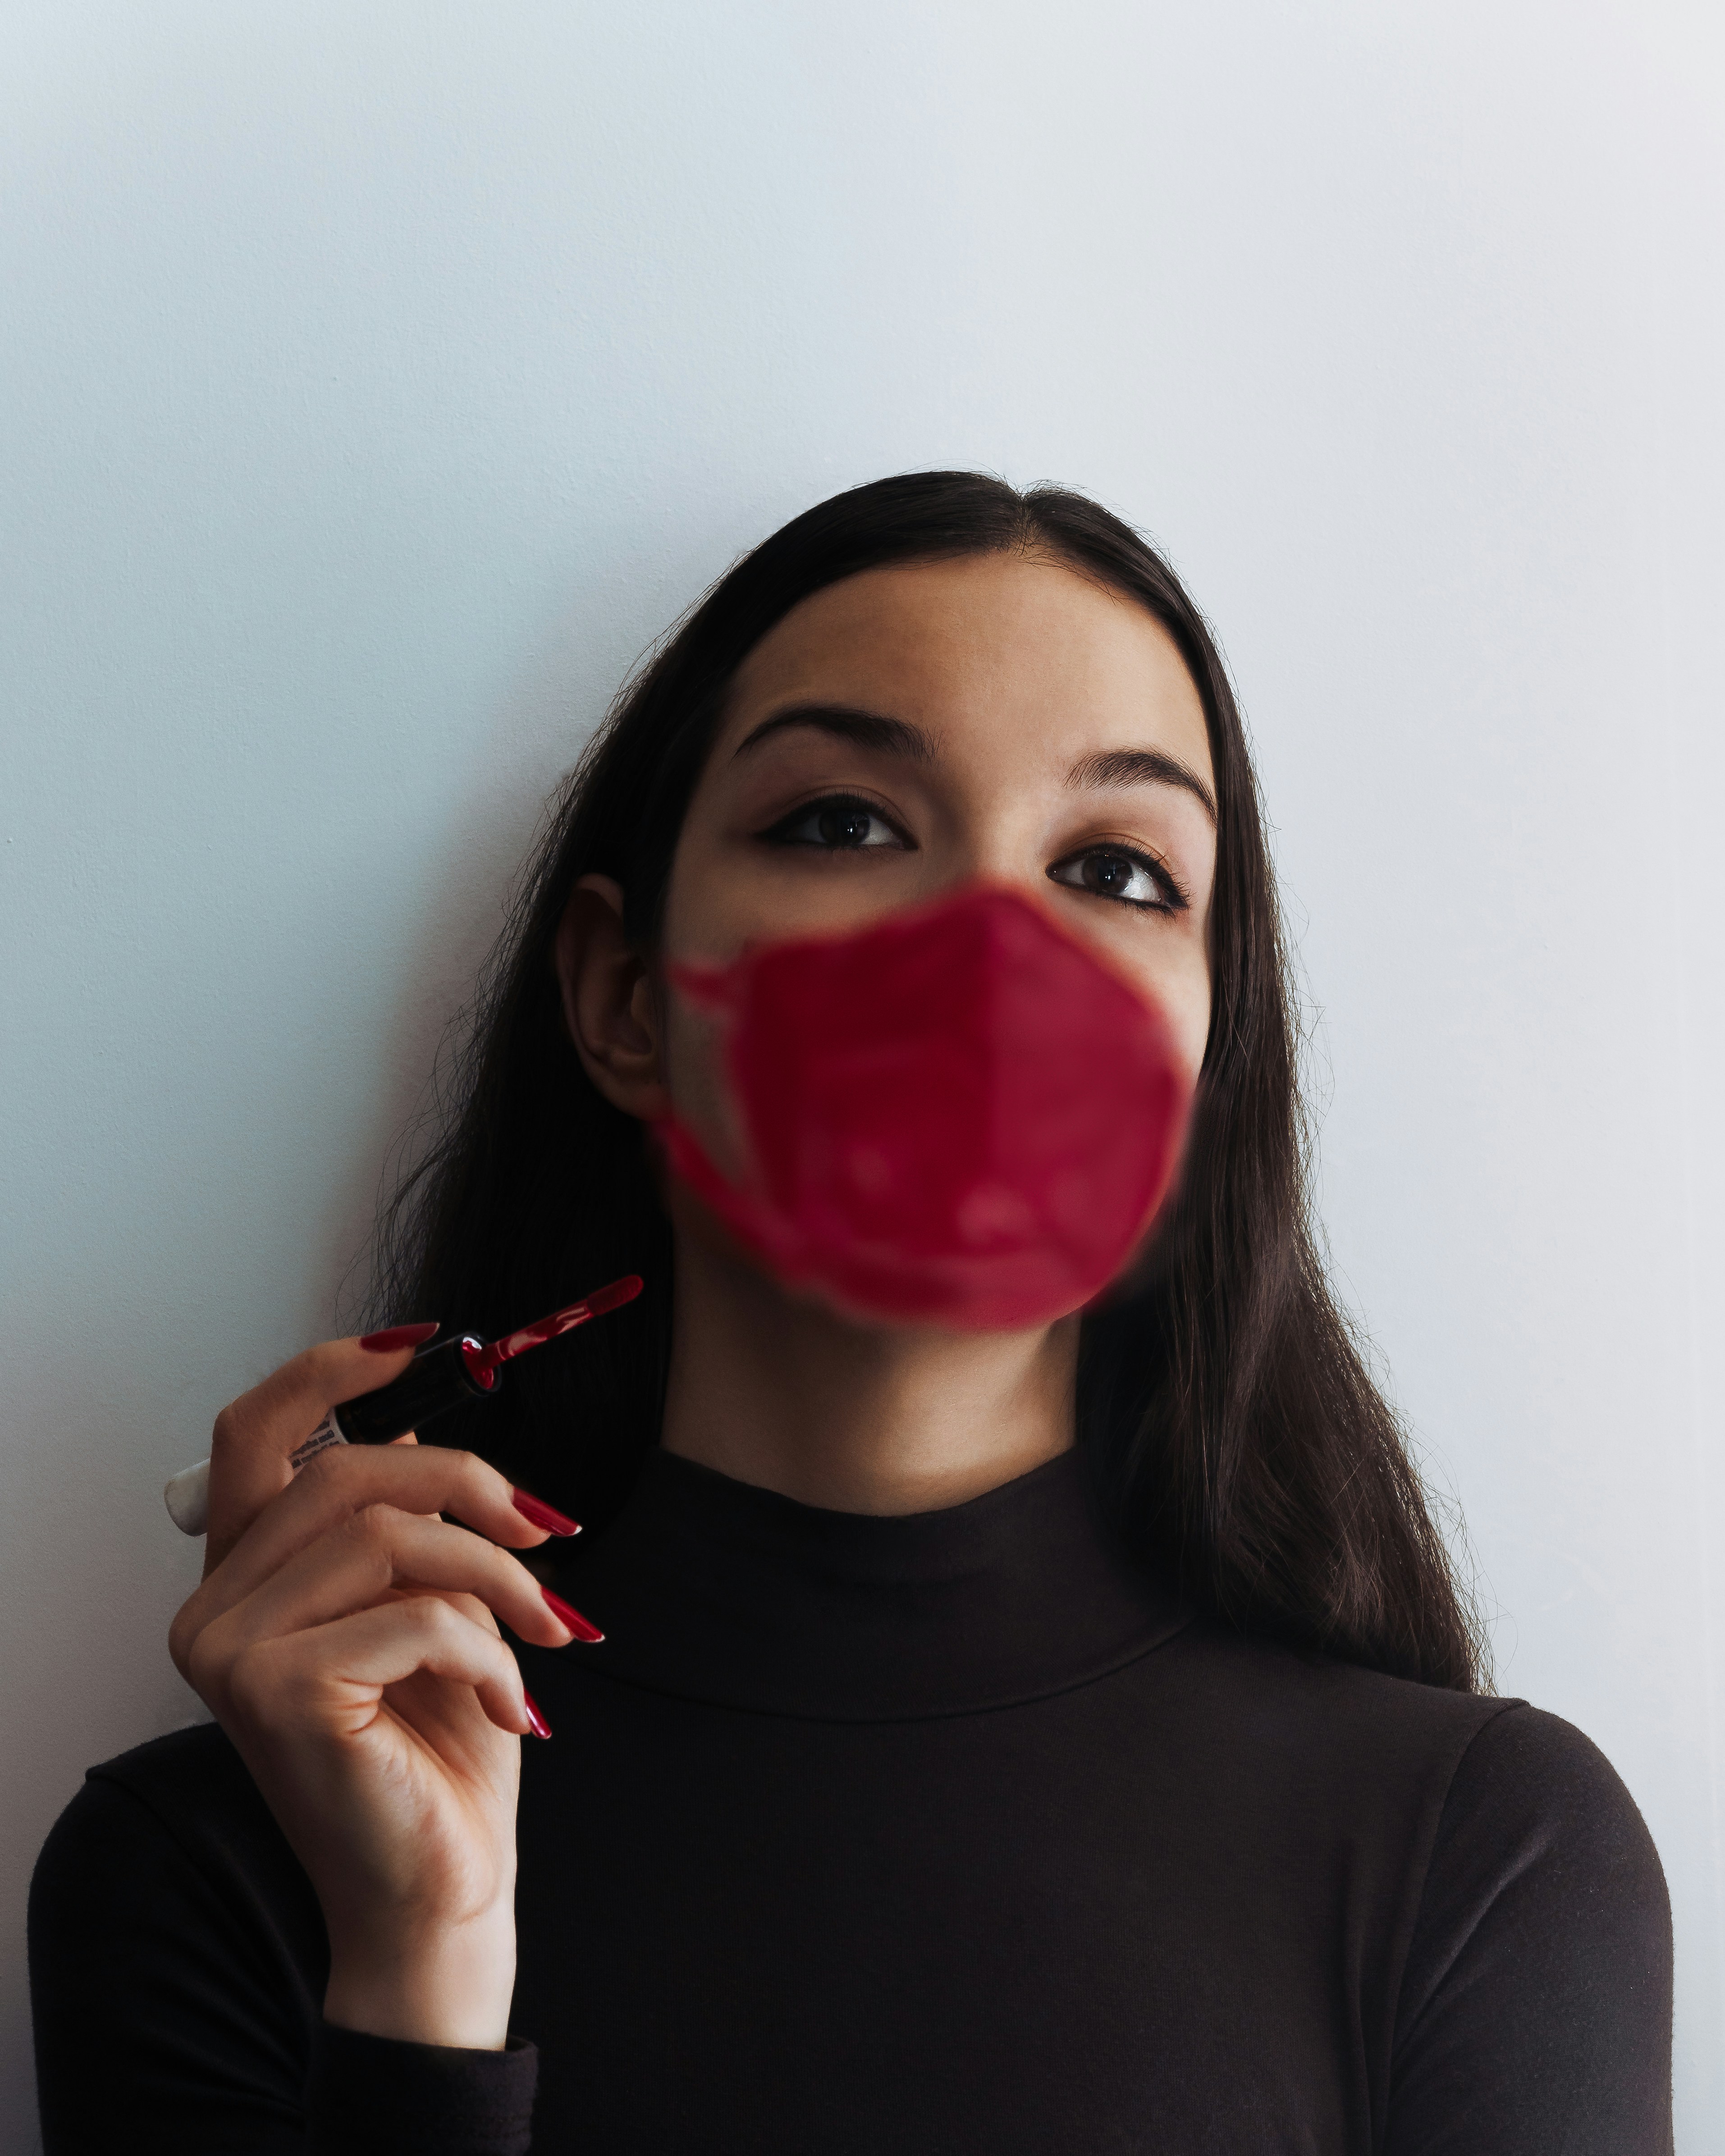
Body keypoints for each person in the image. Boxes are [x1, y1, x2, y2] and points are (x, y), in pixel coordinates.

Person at [29, 474, 1673, 2153]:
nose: (986, 956)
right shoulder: (222, 1863)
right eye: (844, 825)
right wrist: (419, 1976)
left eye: (1113, 868)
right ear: (622, 998)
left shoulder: (1480, 1854)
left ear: (1197, 1057)